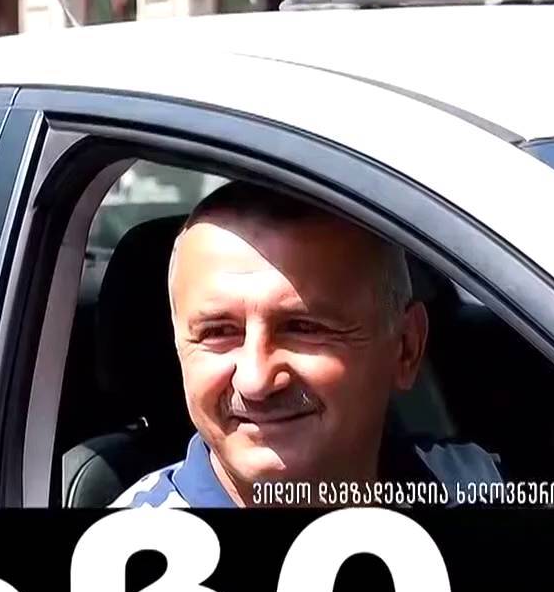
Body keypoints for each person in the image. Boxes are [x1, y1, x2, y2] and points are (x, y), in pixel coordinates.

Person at [113, 181, 501, 508]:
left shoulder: (476, 487)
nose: (255, 381)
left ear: (405, 348)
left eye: (302, 328)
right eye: (218, 332)